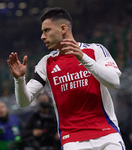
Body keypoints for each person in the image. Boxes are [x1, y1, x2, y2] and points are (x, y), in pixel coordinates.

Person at [7, 7, 126, 150]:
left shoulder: (95, 50)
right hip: (73, 141)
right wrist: (19, 80)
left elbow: (114, 82)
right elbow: (24, 102)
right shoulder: (46, 63)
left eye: (46, 30)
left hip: (107, 135)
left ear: (63, 28)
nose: (42, 36)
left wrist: (83, 58)